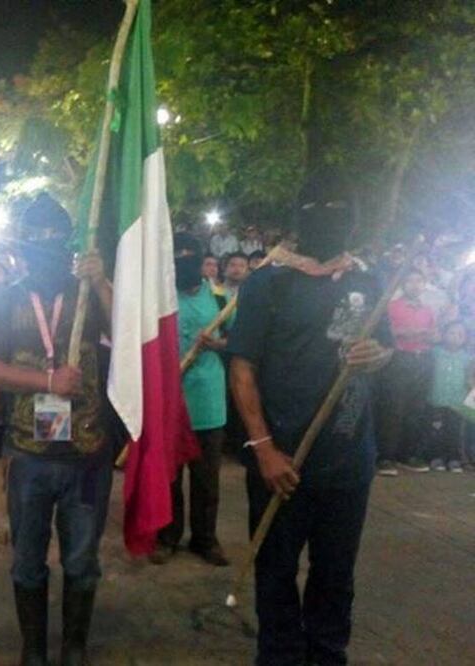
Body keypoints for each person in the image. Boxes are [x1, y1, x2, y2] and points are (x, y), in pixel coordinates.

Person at [228, 168, 393, 666]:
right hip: (283, 465)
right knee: (276, 579)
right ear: (299, 219)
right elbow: (241, 369)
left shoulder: (369, 279)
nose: (331, 220)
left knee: (335, 578)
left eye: (342, 211)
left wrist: (378, 355)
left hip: (348, 464)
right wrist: (264, 450)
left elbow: (386, 350)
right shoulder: (269, 284)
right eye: (319, 211)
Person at [0, 193, 113, 666]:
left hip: (87, 453)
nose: (46, 249)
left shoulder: (86, 297)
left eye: (56, 241)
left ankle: (73, 648)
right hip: (28, 453)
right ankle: (32, 650)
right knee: (27, 561)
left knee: (81, 561)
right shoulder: (4, 298)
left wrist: (100, 282)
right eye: (36, 241)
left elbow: (129, 332)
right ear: (20, 247)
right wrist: (47, 381)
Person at [151, 234, 229, 567]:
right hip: (172, 401)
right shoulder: (161, 300)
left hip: (209, 402)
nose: (184, 262)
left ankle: (205, 539)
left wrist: (218, 345)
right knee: (170, 476)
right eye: (177, 256)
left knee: (206, 478)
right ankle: (167, 536)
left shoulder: (219, 298)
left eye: (189, 256)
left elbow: (235, 340)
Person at [376, 270, 437, 475]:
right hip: (400, 359)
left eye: (420, 281)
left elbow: (434, 335)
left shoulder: (428, 310)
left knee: (416, 408)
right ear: (402, 284)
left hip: (423, 359)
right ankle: (385, 457)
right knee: (393, 407)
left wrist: (430, 335)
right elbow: (383, 331)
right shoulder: (390, 306)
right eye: (410, 280)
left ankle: (407, 455)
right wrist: (408, 332)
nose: (415, 284)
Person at [426, 321, 471, 472]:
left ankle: (454, 459)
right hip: (436, 399)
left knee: (455, 430)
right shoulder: (434, 353)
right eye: (451, 333)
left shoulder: (468, 358)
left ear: (465, 339)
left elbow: (470, 379)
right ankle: (436, 458)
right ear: (443, 334)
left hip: (457, 403)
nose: (455, 337)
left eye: (460, 335)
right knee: (436, 430)